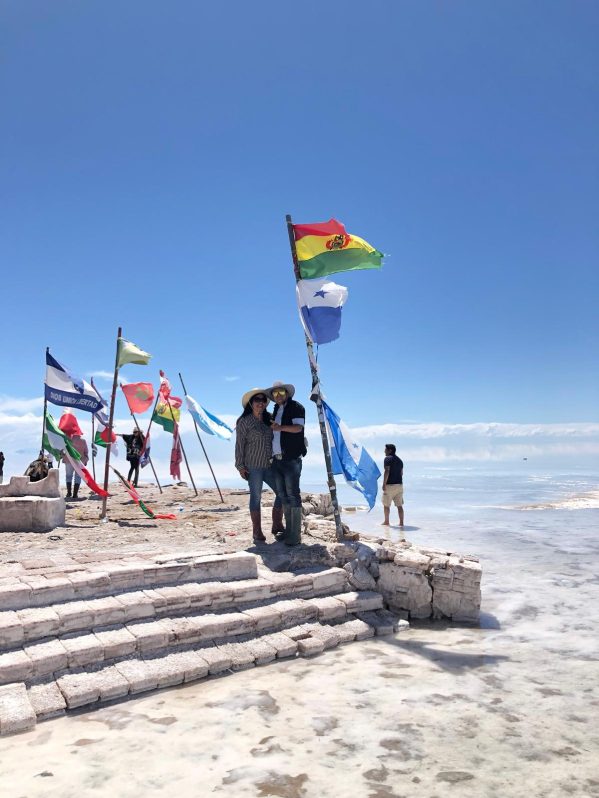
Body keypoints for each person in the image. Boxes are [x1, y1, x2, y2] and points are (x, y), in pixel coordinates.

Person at [234, 388, 282, 543]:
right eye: (257, 400)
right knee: (256, 497)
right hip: (253, 466)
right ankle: (257, 531)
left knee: (281, 492)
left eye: (263, 400)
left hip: (270, 465)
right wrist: (240, 466)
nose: (260, 403)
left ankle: (276, 525)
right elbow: (239, 445)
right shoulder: (244, 421)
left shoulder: (269, 419)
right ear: (251, 403)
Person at [267, 380, 306, 547]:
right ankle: (289, 532)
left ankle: (295, 535)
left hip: (291, 458)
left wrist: (280, 428)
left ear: (287, 393)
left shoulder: (297, 407)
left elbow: (298, 428)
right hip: (277, 459)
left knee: (292, 494)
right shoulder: (276, 409)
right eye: (275, 393)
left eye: (280, 392)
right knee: (283, 495)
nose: (277, 396)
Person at [381, 443, 404, 528]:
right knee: (399, 505)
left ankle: (386, 521)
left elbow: (387, 471)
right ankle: (401, 523)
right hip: (399, 485)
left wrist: (384, 484)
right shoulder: (400, 460)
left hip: (390, 485)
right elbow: (401, 473)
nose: (384, 451)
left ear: (390, 450)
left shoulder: (387, 459)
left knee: (386, 505)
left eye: (385, 449)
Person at [64, 433, 89, 499]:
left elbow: (64, 450)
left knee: (68, 476)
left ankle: (69, 493)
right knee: (78, 477)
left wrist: (62, 457)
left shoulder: (68, 440)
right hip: (79, 461)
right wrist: (85, 460)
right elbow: (86, 452)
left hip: (69, 460)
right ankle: (75, 494)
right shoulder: (83, 441)